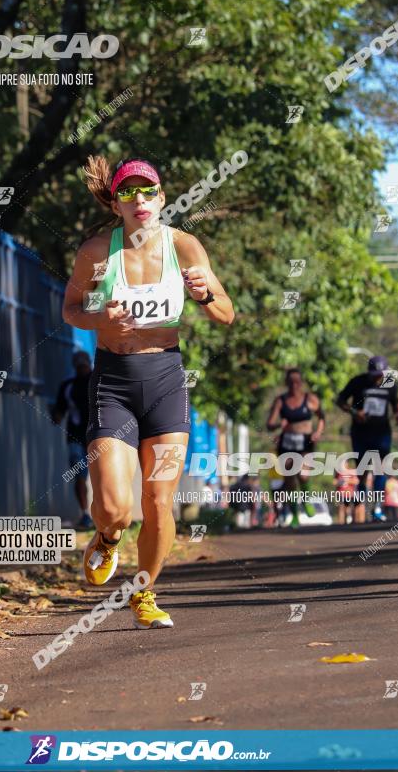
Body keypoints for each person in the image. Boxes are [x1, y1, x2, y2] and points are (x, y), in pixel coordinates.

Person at [62, 156, 234, 628]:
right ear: (115, 202)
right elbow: (72, 309)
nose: (138, 200)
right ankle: (109, 538)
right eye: (127, 193)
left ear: (161, 198)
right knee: (116, 508)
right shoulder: (97, 252)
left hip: (165, 382)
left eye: (147, 191)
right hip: (114, 382)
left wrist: (204, 296)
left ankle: (145, 593)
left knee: (159, 502)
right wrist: (101, 316)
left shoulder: (185, 247)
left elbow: (226, 313)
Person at [336, 355, 398, 524]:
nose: (377, 378)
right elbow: (340, 400)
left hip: (382, 433)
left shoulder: (388, 383)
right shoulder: (358, 382)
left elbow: (395, 402)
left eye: (380, 374)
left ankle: (377, 507)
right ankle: (362, 494)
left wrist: (397, 414)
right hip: (361, 433)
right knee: (363, 469)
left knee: (380, 468)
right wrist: (354, 413)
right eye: (374, 375)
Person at [266, 368, 325, 528]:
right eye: (291, 382)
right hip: (286, 444)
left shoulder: (310, 399)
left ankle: (306, 501)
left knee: (304, 476)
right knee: (290, 481)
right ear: (286, 383)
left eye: (297, 381)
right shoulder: (281, 401)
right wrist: (279, 424)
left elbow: (321, 418)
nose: (294, 385)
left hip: (305, 442)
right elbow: (269, 424)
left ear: (301, 383)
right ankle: (294, 515)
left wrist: (318, 432)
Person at [51, 350, 94, 530]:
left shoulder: (98, 382)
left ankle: (103, 513)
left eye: (84, 364)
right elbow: (59, 415)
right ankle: (85, 514)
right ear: (75, 366)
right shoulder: (67, 386)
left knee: (103, 477)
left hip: (98, 437)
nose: (82, 368)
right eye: (79, 365)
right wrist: (55, 415)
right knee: (79, 475)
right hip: (76, 438)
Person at [334, 457, 359, 525]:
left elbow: (356, 481)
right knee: (341, 507)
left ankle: (354, 523)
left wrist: (347, 481)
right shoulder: (338, 473)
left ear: (347, 464)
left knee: (352, 507)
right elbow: (334, 482)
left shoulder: (351, 471)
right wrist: (339, 482)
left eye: (344, 463)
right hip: (341, 493)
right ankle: (341, 524)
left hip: (350, 493)